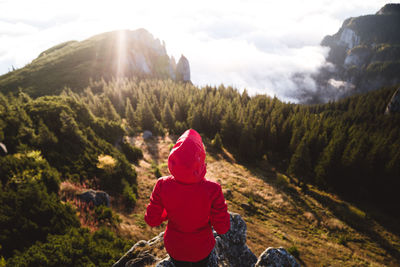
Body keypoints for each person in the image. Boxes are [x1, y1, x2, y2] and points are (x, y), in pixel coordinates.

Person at [144, 129, 230, 267]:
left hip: (175, 249)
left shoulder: (162, 184)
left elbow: (152, 220)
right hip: (202, 249)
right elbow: (223, 228)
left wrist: (170, 212)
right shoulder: (213, 189)